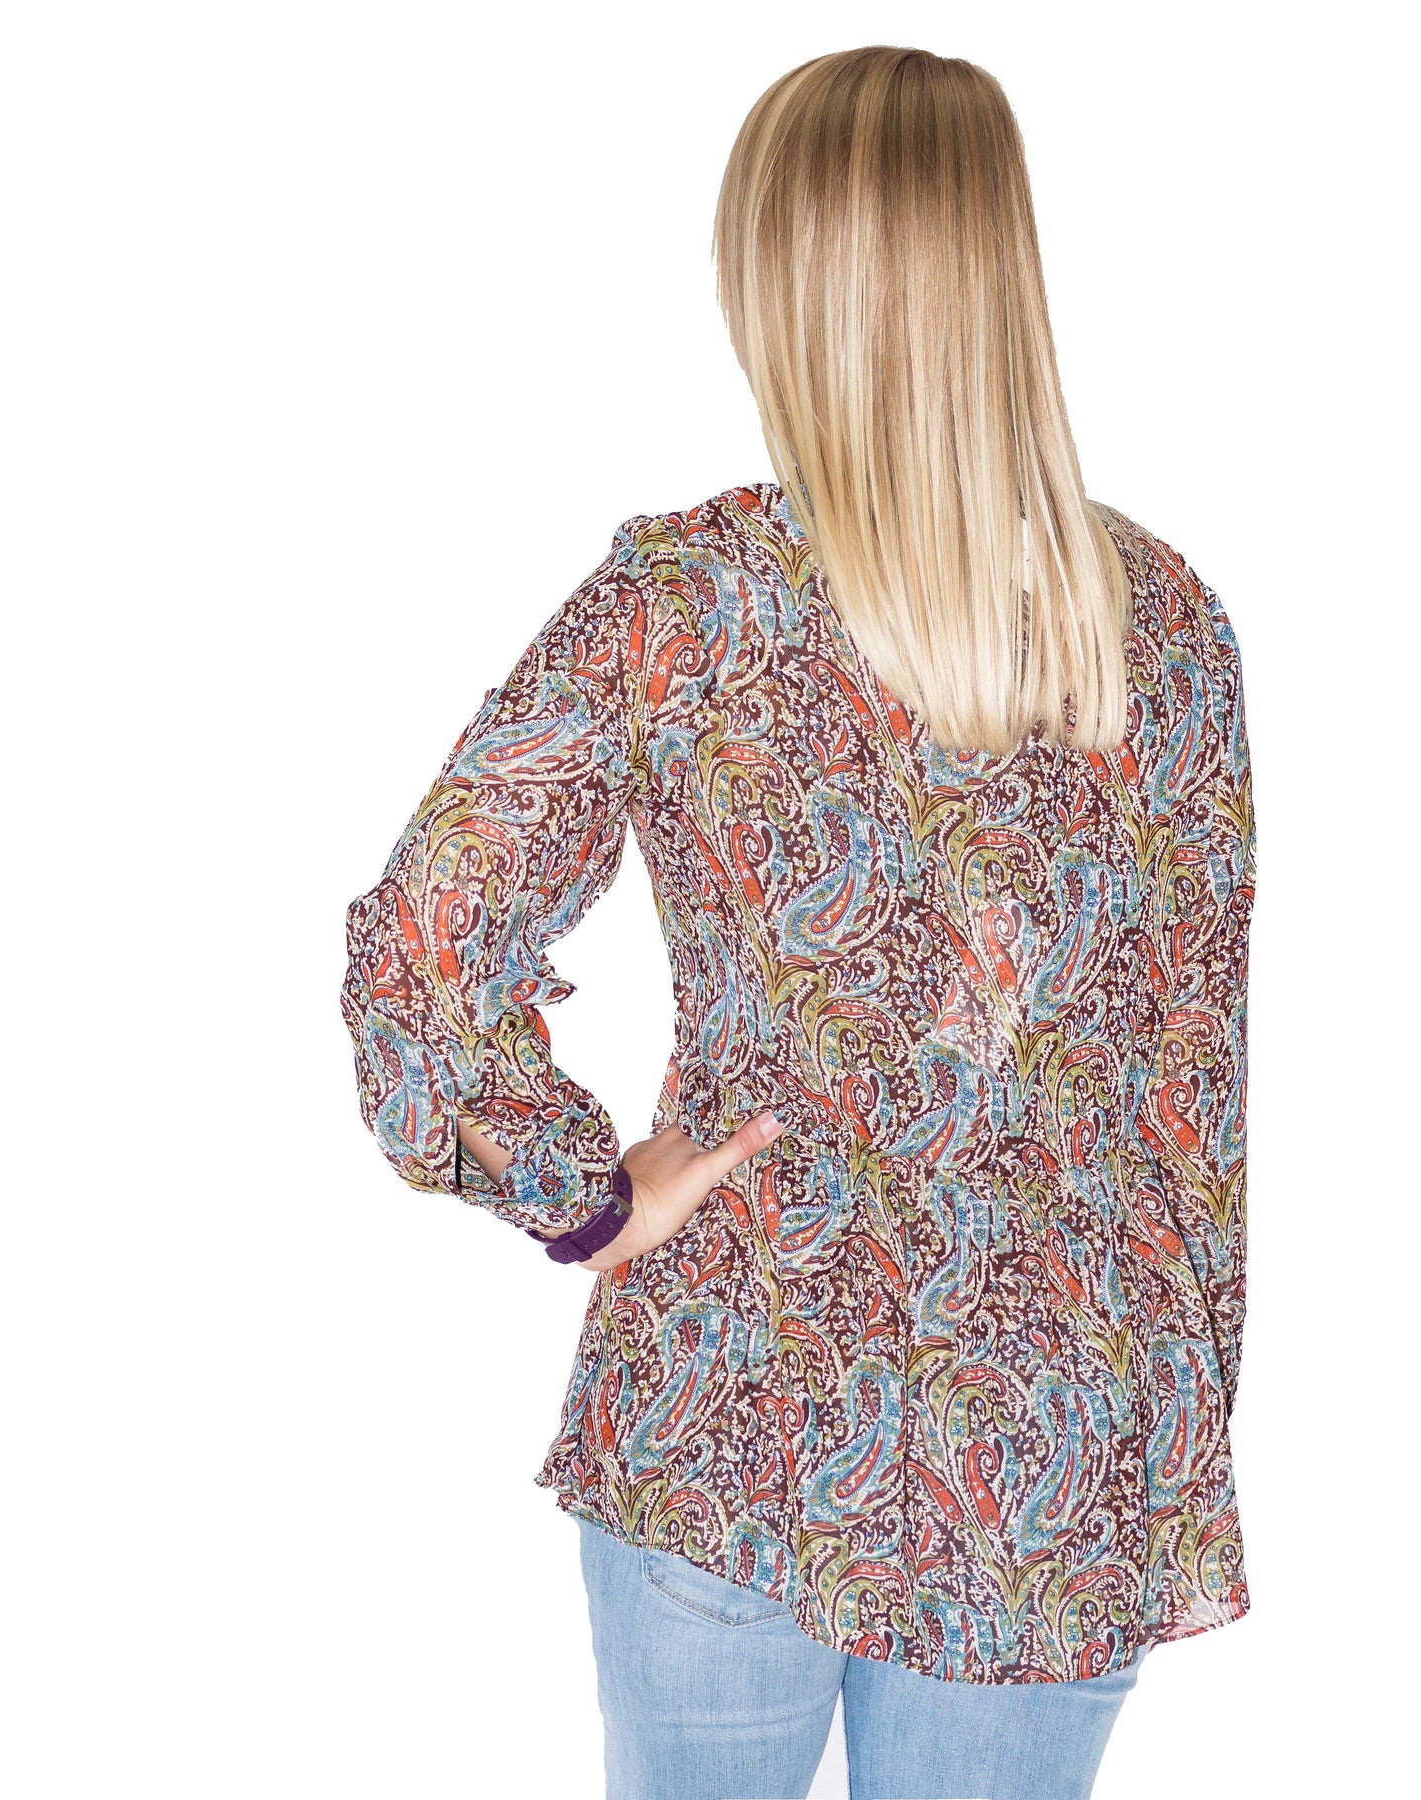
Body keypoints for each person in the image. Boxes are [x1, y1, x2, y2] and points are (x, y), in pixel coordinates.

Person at [341, 43, 1256, 1800]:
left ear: (777, 284)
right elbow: (1192, 1106)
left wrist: (580, 1190)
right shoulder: (1163, 627)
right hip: (1053, 1456)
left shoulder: (686, 605)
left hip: (731, 1399)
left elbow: (420, 951)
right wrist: (1176, 1427)